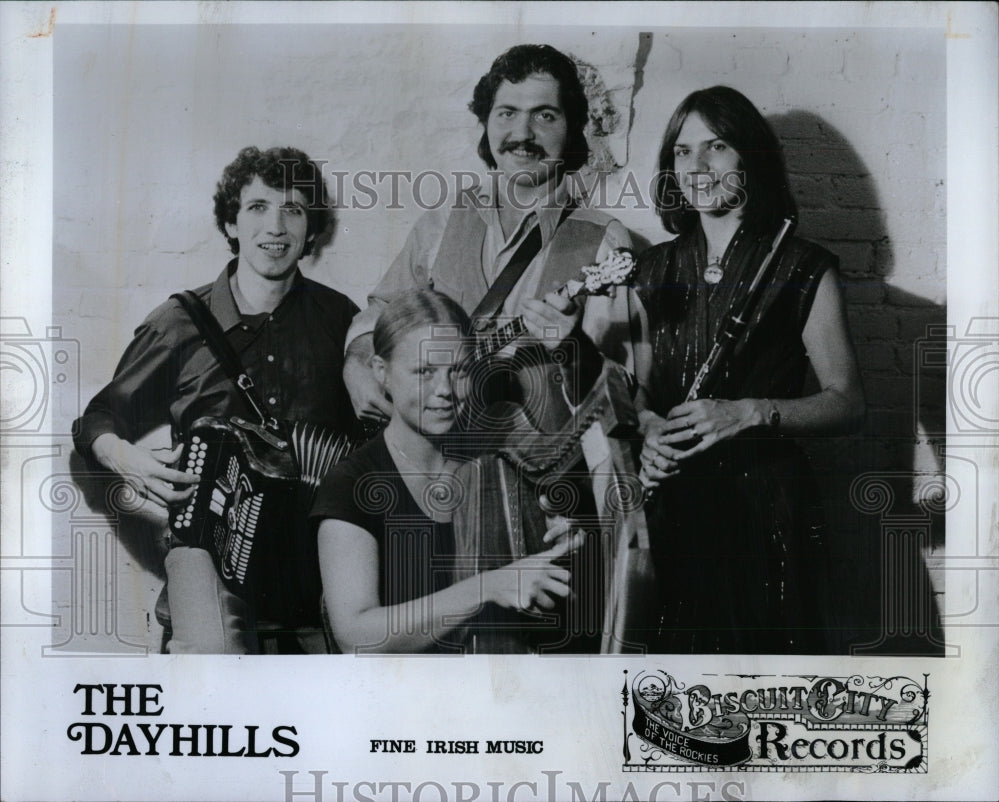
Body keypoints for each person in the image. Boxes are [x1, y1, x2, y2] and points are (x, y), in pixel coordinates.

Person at [73, 146, 360, 654]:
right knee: (213, 668)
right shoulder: (181, 321)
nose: (275, 227)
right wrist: (127, 459)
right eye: (257, 208)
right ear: (231, 224)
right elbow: (97, 417)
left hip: (312, 564)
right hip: (207, 549)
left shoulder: (340, 319)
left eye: (293, 210)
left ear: (311, 228)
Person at [636, 86, 865, 654]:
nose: (698, 166)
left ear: (750, 157)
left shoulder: (800, 265)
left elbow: (848, 402)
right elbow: (637, 396)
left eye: (717, 146)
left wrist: (749, 413)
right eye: (683, 151)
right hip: (672, 512)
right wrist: (647, 433)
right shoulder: (651, 267)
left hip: (765, 515)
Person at [342, 43, 649, 428]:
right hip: (433, 465)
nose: (522, 133)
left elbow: (627, 399)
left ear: (571, 129)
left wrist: (575, 352)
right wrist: (357, 360)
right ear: (486, 124)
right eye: (507, 113)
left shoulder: (604, 241)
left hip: (539, 474)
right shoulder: (443, 219)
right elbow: (384, 310)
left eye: (545, 115)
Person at [312, 290, 581, 654]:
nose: (444, 391)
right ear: (382, 372)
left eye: (459, 371)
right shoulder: (350, 484)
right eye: (425, 371)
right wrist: (489, 587)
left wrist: (563, 545)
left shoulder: (501, 460)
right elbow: (357, 635)